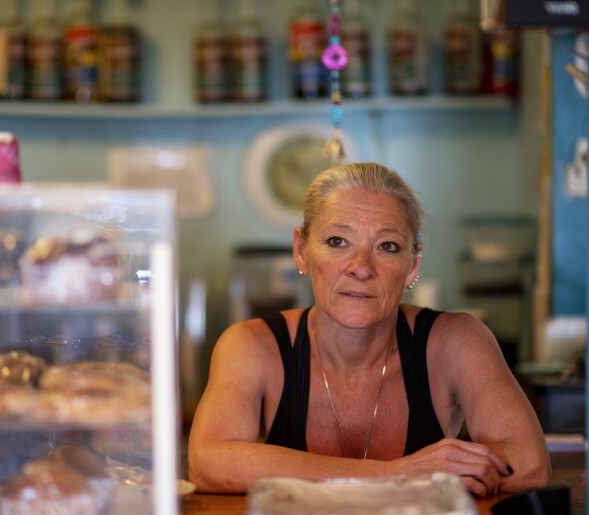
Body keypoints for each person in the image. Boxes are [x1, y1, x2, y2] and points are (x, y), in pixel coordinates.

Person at [188, 162, 550, 497]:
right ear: (301, 251)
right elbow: (208, 462)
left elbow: (529, 465)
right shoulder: (253, 345)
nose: (361, 267)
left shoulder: (456, 340)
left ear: (412, 267)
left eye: (387, 247)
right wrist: (400, 474)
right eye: (337, 242)